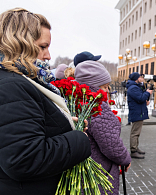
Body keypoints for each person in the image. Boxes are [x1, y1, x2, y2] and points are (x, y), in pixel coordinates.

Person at [0, 8, 91, 195]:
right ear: (19, 43)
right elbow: (24, 159)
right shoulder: (12, 86)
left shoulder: (20, 81)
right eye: (42, 47)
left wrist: (64, 123)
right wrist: (80, 139)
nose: (48, 55)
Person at [74, 60, 131, 195]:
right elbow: (111, 144)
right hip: (101, 170)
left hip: (86, 169)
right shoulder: (96, 106)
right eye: (105, 87)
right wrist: (125, 158)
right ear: (93, 86)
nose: (107, 91)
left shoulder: (78, 100)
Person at [126, 72, 153, 159]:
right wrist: (148, 93)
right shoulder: (133, 88)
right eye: (140, 77)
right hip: (136, 112)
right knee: (135, 132)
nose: (141, 78)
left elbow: (140, 98)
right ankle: (133, 150)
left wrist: (145, 97)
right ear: (136, 78)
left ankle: (136, 148)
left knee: (137, 132)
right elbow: (140, 98)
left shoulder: (134, 87)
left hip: (138, 111)